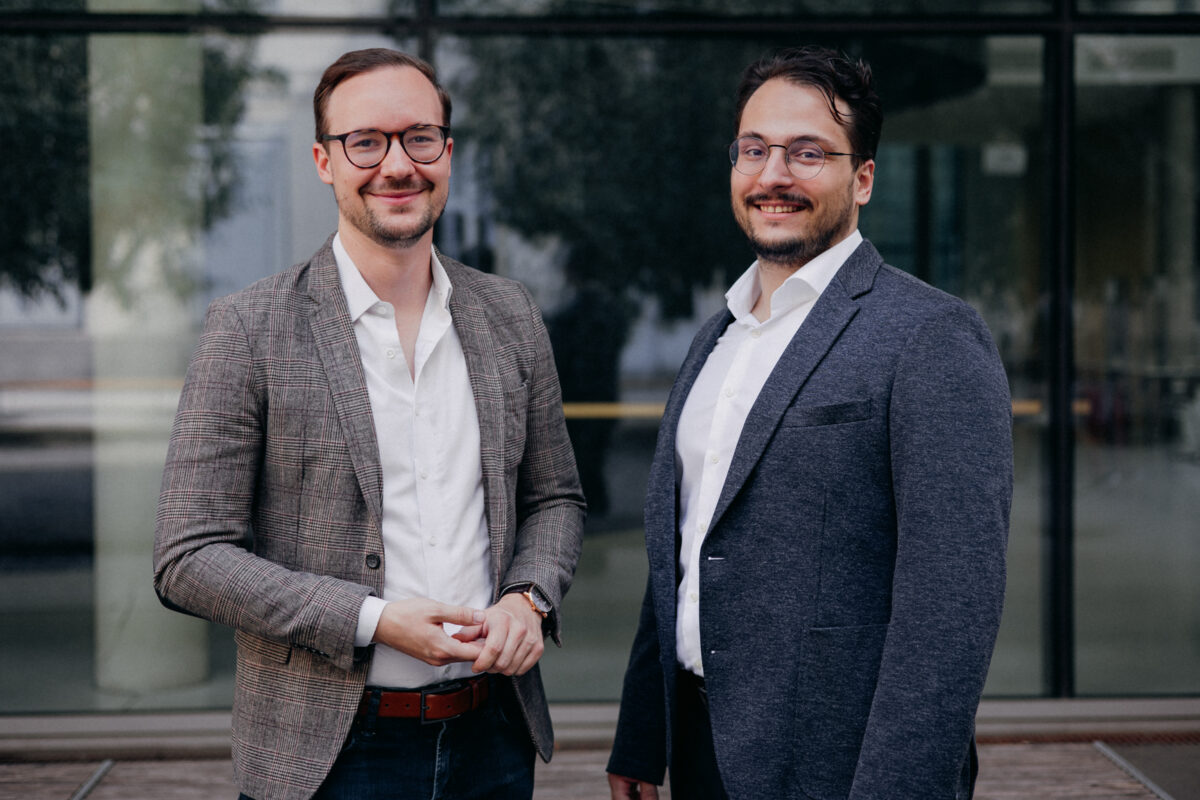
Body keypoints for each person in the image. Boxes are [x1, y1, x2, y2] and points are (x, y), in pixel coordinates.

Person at [153, 48, 585, 800]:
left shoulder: (510, 314)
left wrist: (530, 596)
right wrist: (373, 619)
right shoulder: (248, 328)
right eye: (366, 142)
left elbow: (556, 499)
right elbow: (188, 557)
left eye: (420, 137)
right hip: (328, 755)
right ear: (325, 161)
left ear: (447, 153)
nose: (396, 164)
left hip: (493, 739)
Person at [607, 46, 1012, 800]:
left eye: (807, 153)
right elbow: (690, 545)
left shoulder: (931, 336)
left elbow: (949, 614)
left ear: (861, 178)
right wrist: (643, 733)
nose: (773, 176)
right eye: (754, 150)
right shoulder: (717, 335)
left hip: (839, 767)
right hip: (701, 749)